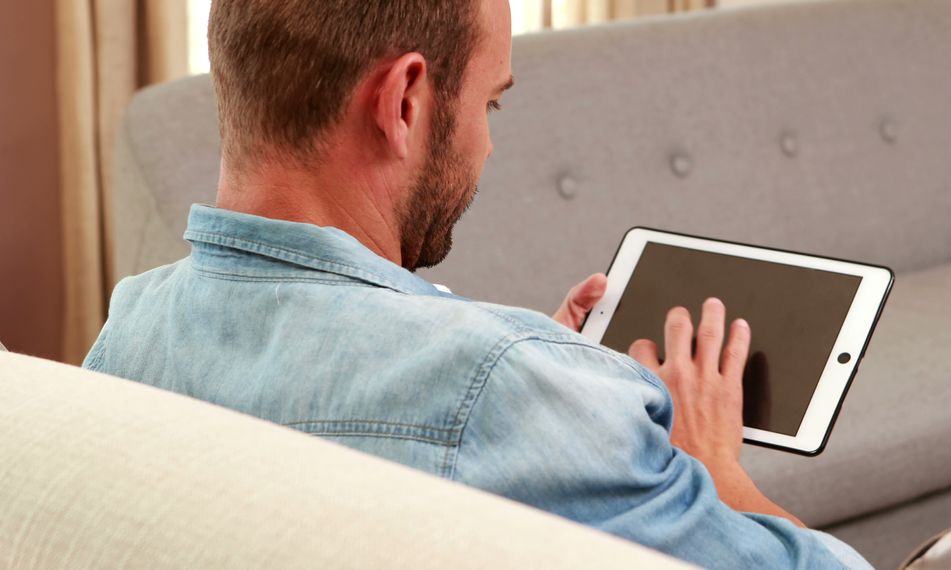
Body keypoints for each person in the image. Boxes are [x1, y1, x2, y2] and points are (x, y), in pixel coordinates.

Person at [84, 1, 871, 567]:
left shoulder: (122, 344)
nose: (490, 145)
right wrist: (714, 469)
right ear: (404, 101)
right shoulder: (502, 387)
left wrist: (549, 371)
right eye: (490, 103)